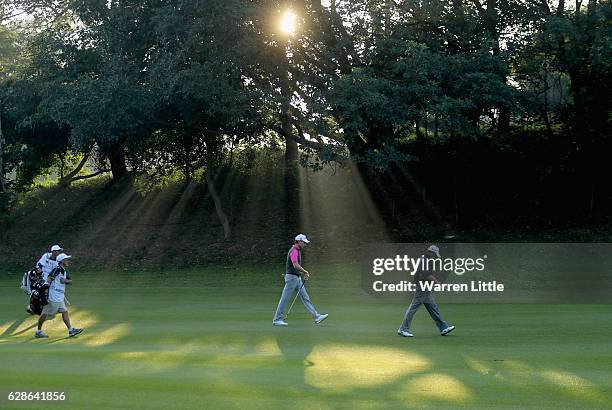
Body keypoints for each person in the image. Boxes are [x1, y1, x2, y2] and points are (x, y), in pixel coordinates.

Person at [397, 245, 455, 337]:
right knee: (413, 308)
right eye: (434, 254)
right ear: (430, 252)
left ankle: (443, 327)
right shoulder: (424, 260)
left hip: (425, 288)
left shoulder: (424, 259)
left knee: (433, 308)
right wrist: (438, 283)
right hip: (422, 287)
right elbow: (426, 275)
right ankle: (403, 329)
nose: (435, 256)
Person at [272, 234, 329, 326]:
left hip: (296, 278)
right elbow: (295, 265)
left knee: (306, 298)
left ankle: (316, 317)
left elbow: (295, 267)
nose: (305, 244)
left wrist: (302, 273)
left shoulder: (297, 250)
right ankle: (277, 319)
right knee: (284, 299)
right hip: (291, 279)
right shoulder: (294, 251)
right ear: (299, 241)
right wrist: (305, 272)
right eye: (304, 242)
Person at [35, 253, 83, 338]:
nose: (68, 261)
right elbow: (49, 279)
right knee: (45, 313)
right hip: (53, 296)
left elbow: (70, 281)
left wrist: (65, 281)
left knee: (64, 311)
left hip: (59, 296)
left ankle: (71, 330)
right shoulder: (57, 269)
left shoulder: (64, 271)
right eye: (66, 260)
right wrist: (46, 291)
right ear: (62, 261)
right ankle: (38, 331)